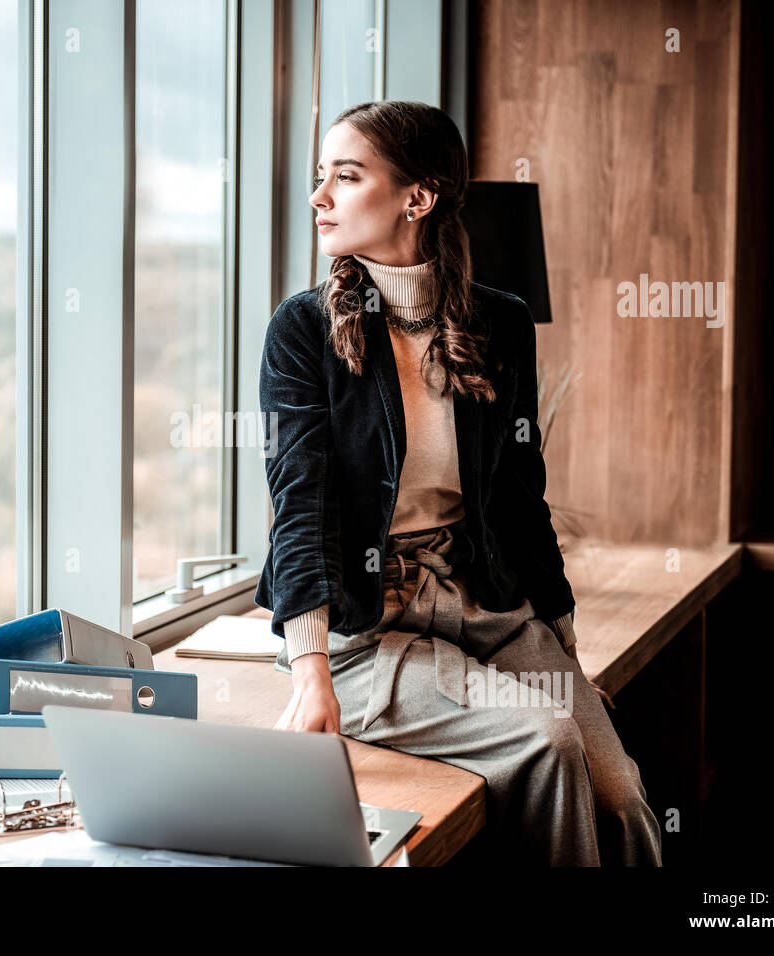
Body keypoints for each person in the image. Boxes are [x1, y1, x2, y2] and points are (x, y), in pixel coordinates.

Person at [253, 100, 662, 866]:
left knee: (620, 795)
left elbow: (518, 495)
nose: (320, 198)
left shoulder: (500, 323)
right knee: (546, 742)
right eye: (322, 178)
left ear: (420, 196)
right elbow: (298, 502)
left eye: (345, 177)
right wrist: (309, 674)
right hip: (364, 633)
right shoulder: (302, 329)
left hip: (488, 609)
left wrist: (566, 653)